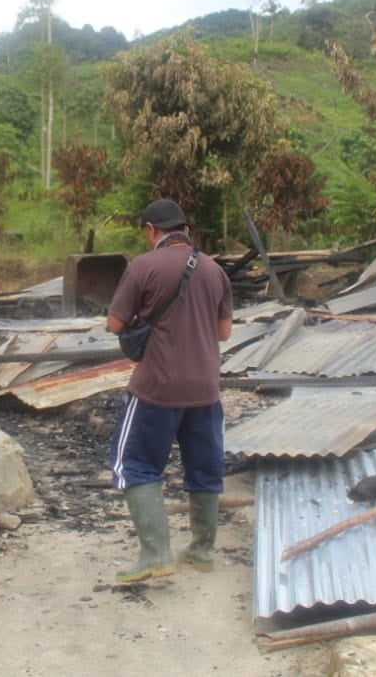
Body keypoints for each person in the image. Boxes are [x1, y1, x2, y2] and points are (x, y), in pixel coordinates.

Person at [105, 199, 233, 583]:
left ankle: (156, 554)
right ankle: (202, 550)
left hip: (157, 387)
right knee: (204, 467)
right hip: (206, 388)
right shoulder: (214, 269)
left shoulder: (143, 266)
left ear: (151, 230)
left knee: (134, 463)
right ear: (186, 230)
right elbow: (224, 332)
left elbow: (115, 324)